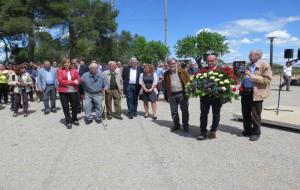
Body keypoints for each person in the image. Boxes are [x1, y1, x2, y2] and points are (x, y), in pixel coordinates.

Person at [240, 50, 272, 141]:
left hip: (256, 93)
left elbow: (267, 80)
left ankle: (256, 133)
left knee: (255, 114)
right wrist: (241, 74)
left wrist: (251, 75)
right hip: (245, 91)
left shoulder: (264, 65)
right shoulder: (248, 65)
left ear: (257, 56)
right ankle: (247, 130)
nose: (249, 56)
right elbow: (244, 78)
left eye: (250, 55)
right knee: (245, 112)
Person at [197, 55, 223, 140]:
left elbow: (226, 83)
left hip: (216, 97)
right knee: (203, 114)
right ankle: (203, 131)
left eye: (212, 61)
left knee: (216, 114)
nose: (210, 62)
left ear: (216, 60)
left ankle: (213, 130)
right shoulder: (203, 70)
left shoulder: (221, 70)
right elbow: (198, 81)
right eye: (208, 61)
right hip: (205, 97)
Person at [164, 58, 190, 132]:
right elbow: (165, 85)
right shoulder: (166, 73)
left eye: (173, 63)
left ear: (176, 63)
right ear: (168, 64)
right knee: (174, 111)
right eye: (170, 63)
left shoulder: (182, 71)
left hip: (182, 93)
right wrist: (166, 96)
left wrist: (188, 92)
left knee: (184, 110)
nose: (171, 64)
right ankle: (176, 125)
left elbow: (189, 81)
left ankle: (185, 125)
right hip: (172, 94)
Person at [57, 58, 81, 129]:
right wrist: (73, 82)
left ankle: (74, 118)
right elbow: (61, 81)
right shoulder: (60, 71)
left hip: (73, 91)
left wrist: (74, 81)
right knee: (65, 107)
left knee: (74, 106)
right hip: (63, 91)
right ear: (63, 63)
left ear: (70, 63)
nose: (67, 64)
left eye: (68, 62)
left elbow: (79, 80)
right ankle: (68, 121)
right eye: (65, 63)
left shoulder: (75, 70)